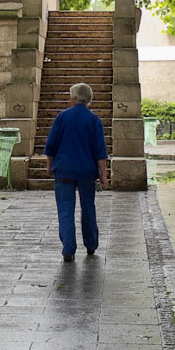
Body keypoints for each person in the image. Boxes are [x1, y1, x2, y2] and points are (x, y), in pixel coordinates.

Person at [44, 81, 110, 262]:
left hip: (64, 170)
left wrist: (49, 166)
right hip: (87, 172)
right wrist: (103, 175)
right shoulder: (94, 120)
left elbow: (51, 146)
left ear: (73, 98)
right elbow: (100, 151)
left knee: (65, 208)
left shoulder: (62, 117)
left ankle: (68, 249)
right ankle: (91, 244)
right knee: (88, 207)